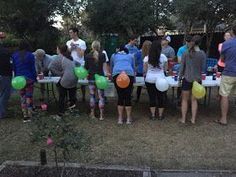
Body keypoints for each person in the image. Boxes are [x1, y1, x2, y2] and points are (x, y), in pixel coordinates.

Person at [179, 35, 206, 124]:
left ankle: (183, 119)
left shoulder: (186, 53)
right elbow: (203, 68)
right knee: (194, 100)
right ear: (200, 43)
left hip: (187, 79)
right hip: (197, 80)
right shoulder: (202, 53)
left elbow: (181, 68)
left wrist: (179, 78)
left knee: (184, 100)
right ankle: (193, 119)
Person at [49, 44, 78, 116]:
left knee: (62, 95)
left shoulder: (59, 57)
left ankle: (61, 111)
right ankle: (72, 109)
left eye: (57, 49)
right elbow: (78, 65)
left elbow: (50, 67)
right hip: (75, 78)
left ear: (59, 50)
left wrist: (59, 74)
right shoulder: (70, 57)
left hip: (66, 79)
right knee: (72, 94)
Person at [12, 40, 37, 122]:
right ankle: (30, 114)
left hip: (19, 79)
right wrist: (35, 77)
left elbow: (14, 68)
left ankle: (25, 115)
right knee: (29, 96)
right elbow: (33, 68)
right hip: (29, 78)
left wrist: (16, 77)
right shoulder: (30, 55)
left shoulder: (14, 55)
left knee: (22, 96)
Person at [85, 41, 110, 120]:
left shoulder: (88, 56)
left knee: (92, 96)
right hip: (100, 78)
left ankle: (92, 114)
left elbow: (86, 67)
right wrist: (107, 75)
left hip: (91, 77)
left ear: (92, 47)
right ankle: (101, 116)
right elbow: (104, 66)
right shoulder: (102, 55)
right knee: (101, 97)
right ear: (99, 47)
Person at [110, 45, 135, 124]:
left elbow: (112, 66)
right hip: (129, 74)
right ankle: (128, 119)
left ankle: (120, 119)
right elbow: (133, 67)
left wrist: (111, 77)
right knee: (128, 96)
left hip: (117, 74)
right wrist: (133, 78)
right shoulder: (131, 56)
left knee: (120, 96)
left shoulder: (114, 56)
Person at [143, 40, 168, 120]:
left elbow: (145, 71)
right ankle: (160, 115)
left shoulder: (147, 58)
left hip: (149, 79)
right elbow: (165, 69)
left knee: (152, 97)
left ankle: (153, 115)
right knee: (161, 97)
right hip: (161, 80)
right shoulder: (163, 57)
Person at [217, 24, 236, 125]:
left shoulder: (227, 43)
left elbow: (222, 59)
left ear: (232, 32)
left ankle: (223, 119)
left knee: (224, 95)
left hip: (229, 72)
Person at [66, 27, 87, 102]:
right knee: (71, 81)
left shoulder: (82, 42)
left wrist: (77, 48)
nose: (70, 34)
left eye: (71, 32)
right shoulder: (68, 42)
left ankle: (83, 96)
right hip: (71, 64)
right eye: (69, 32)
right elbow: (67, 53)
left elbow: (81, 55)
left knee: (82, 82)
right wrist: (71, 47)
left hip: (80, 64)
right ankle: (72, 97)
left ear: (75, 33)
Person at [0, 33, 12, 119]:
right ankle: (2, 113)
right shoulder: (6, 51)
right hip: (5, 74)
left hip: (4, 74)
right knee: (5, 94)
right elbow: (9, 64)